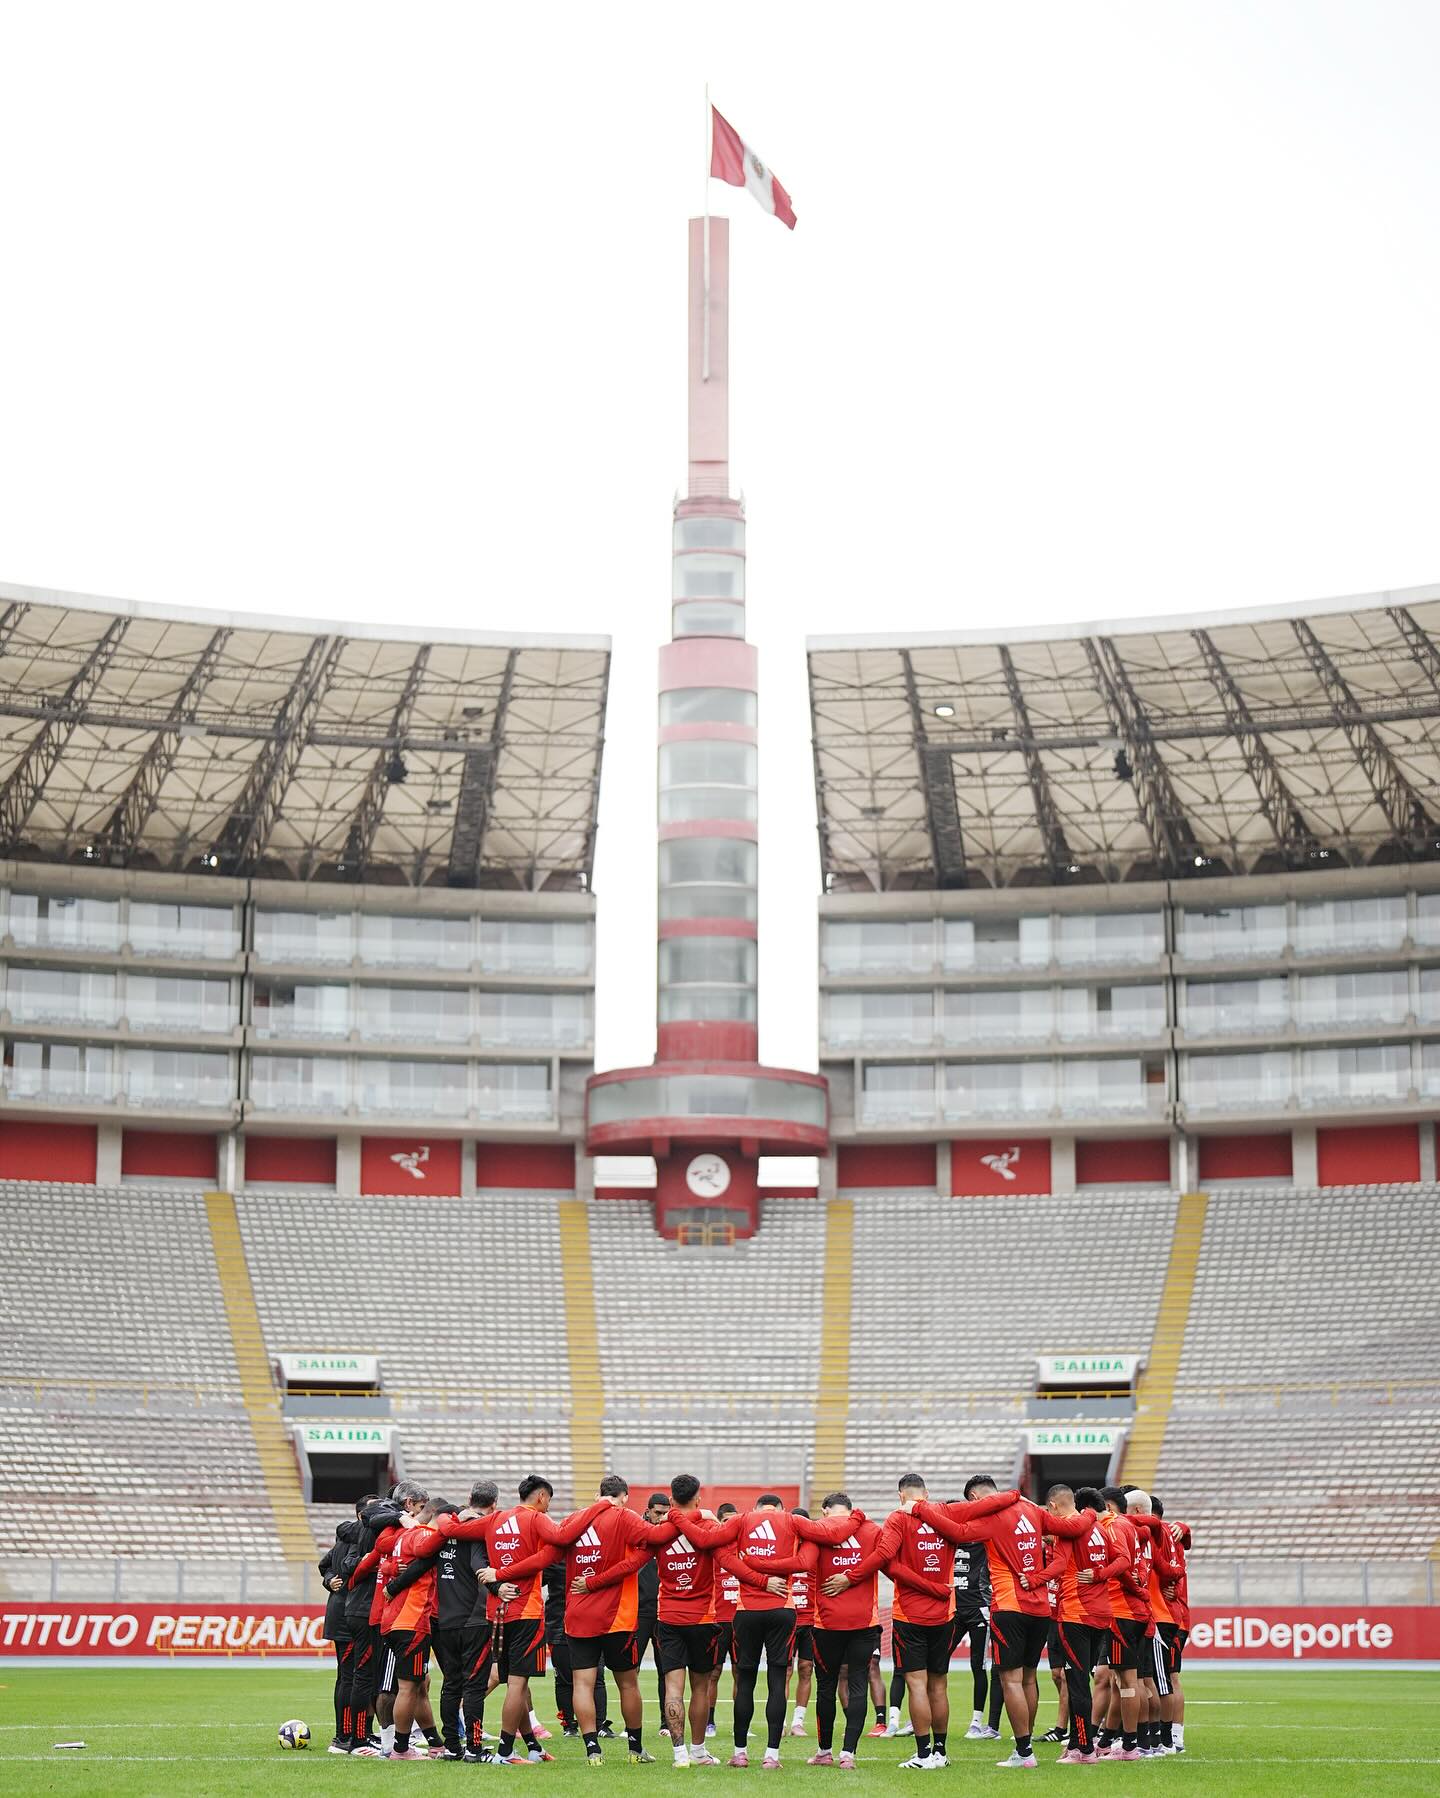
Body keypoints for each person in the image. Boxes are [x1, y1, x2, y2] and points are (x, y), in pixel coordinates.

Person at [910, 1475, 1097, 1771]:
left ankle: (1024, 1753)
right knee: (1029, 1678)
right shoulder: (1034, 1511)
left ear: (974, 1498)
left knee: (1010, 1679)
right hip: (1040, 1608)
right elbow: (1069, 1526)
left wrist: (920, 1509)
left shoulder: (993, 1518)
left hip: (1009, 1605)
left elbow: (956, 1532)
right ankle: (1025, 1746)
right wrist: (1090, 1512)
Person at [844, 1473, 1018, 1770]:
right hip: (945, 1614)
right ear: (926, 1492)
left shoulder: (898, 1519)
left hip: (910, 1615)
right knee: (939, 1686)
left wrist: (850, 1577)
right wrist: (1016, 1495)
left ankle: (923, 1755)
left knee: (917, 1685)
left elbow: (885, 1557)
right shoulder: (945, 1511)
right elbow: (990, 1503)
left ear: (901, 1495)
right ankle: (940, 1751)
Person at [435, 1473, 604, 1764]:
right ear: (540, 1496)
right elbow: (562, 1539)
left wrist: (453, 1516)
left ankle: (531, 1745)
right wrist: (597, 1509)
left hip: (495, 1611)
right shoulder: (536, 1520)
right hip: (525, 1610)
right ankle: (504, 1751)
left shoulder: (496, 1519)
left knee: (515, 1682)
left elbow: (450, 1528)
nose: (548, 1505)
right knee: (517, 1683)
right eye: (548, 1499)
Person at [678, 1492, 856, 1768]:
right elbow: (809, 1559)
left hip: (746, 1612)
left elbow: (712, 1547)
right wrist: (857, 1518)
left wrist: (755, 1570)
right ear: (782, 1509)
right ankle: (771, 1756)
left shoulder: (742, 1520)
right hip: (782, 1609)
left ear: (756, 1508)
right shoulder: (793, 1521)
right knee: (777, 1680)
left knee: (745, 1681)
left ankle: (740, 1753)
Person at [555, 1473, 676, 1764]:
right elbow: (658, 1537)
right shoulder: (624, 1516)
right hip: (616, 1617)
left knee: (582, 1683)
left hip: (579, 1613)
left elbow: (555, 1547)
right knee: (627, 1683)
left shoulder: (575, 1519)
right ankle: (635, 1749)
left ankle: (592, 1751)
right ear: (624, 1496)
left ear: (599, 1494)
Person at [1021, 1484, 1126, 1765]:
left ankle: (1085, 1750)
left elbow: (1058, 1565)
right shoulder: (1100, 1529)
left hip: (1075, 1614)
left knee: (1077, 1682)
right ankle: (1080, 1744)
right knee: (1083, 1679)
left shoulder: (1068, 1528)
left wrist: (1033, 1580)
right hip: (1101, 1614)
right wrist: (1101, 1574)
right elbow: (1124, 1560)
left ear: (1053, 1506)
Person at [1091, 1484, 1150, 1760]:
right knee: (1120, 1680)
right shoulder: (1129, 1526)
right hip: (1133, 1611)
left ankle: (1129, 1746)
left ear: (1109, 1508)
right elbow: (1149, 1528)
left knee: (1127, 1682)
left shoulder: (1114, 1527)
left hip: (1122, 1611)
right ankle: (1108, 1740)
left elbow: (1123, 1564)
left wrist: (1100, 1575)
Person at [1127, 1490, 1183, 1756]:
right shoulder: (1164, 1533)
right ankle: (1152, 1739)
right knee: (1152, 1680)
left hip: (1159, 1617)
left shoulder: (1154, 1532)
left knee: (1160, 1682)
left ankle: (1166, 1741)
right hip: (1158, 1615)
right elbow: (1171, 1569)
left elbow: (1167, 1568)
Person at [948, 1483, 1000, 1744]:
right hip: (952, 1610)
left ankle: (977, 1722)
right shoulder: (947, 1540)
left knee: (978, 1667)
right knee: (935, 1664)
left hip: (978, 1610)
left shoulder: (981, 1537)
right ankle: (922, 1717)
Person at [319, 1497, 366, 1753]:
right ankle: (343, 1736)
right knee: (349, 1677)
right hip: (346, 1617)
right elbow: (341, 1567)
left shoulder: (346, 1537)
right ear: (362, 1516)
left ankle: (358, 1734)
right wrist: (331, 1580)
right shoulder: (353, 1540)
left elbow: (324, 1566)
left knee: (354, 1677)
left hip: (348, 1614)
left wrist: (328, 1579)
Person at [547, 1557, 612, 1740]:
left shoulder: (595, 1557)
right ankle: (569, 1725)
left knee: (597, 1676)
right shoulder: (555, 1559)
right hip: (559, 1624)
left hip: (590, 1625)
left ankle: (599, 1724)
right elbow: (537, 1577)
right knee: (564, 1679)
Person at [639, 1493, 669, 1730]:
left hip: (663, 1612)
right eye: (657, 1512)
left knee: (666, 1671)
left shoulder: (670, 1535)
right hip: (638, 1611)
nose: (661, 1517)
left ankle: (666, 1722)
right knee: (630, 1671)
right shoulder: (636, 1533)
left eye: (665, 1513)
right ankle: (632, 1725)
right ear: (648, 1511)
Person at [787, 1507, 815, 1739]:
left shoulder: (815, 1550)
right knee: (784, 1671)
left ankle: (798, 1721)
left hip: (811, 1620)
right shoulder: (782, 1548)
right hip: (786, 1620)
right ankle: (780, 1721)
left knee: (806, 1670)